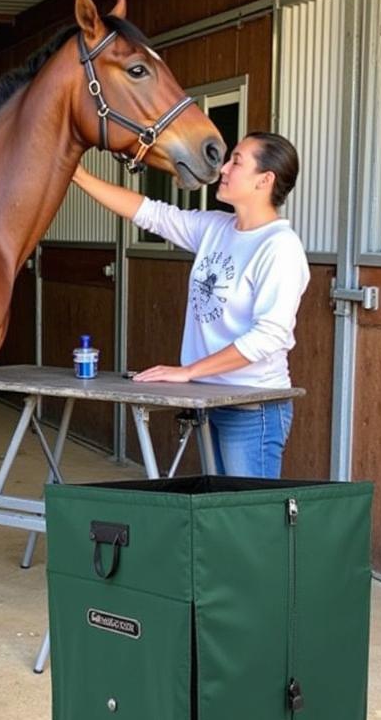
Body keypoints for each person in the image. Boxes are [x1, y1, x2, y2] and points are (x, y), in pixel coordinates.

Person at [73, 131, 309, 479]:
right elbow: (149, 213)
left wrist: (189, 372)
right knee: (224, 513)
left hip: (251, 406)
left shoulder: (280, 247)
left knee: (251, 522)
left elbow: (269, 336)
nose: (224, 168)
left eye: (236, 161)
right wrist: (75, 172)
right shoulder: (215, 228)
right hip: (211, 398)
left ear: (265, 179)